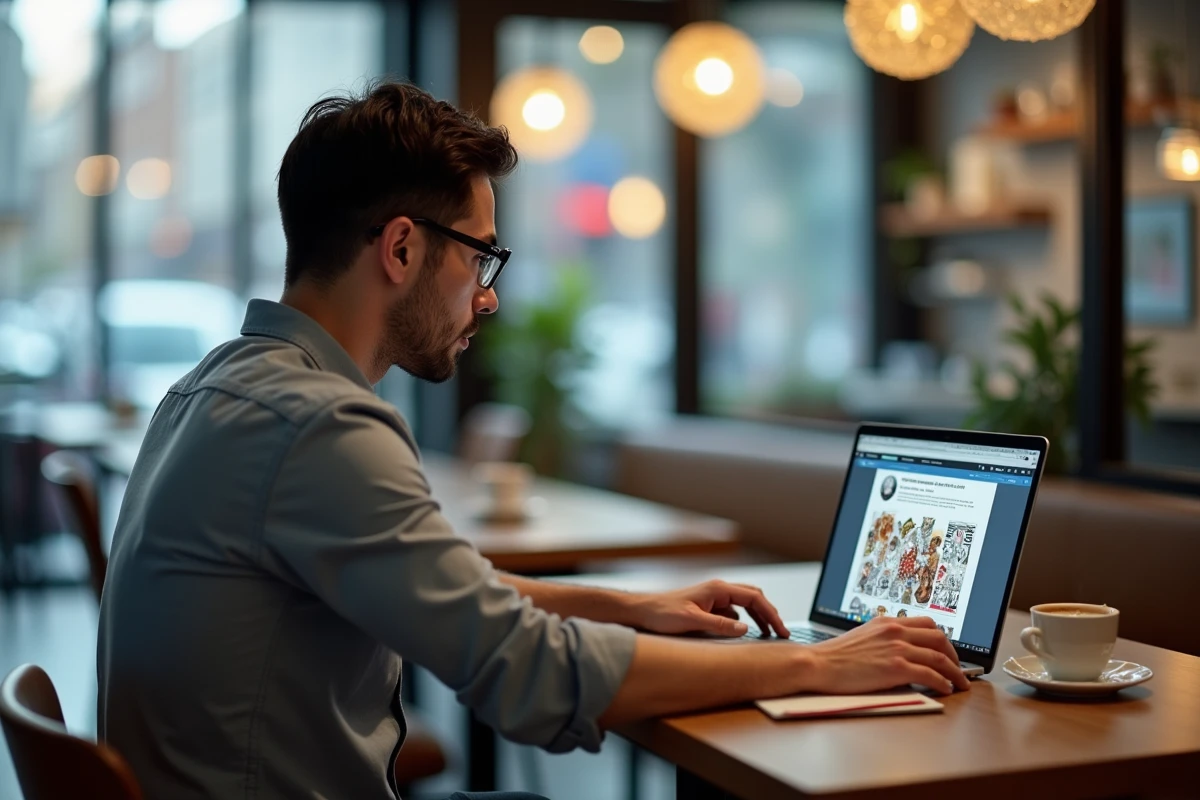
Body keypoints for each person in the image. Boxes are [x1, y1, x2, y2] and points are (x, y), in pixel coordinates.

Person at [96, 81, 968, 800]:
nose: (487, 295)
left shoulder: (215, 385)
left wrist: (631, 607)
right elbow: (525, 671)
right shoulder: (320, 423)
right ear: (400, 249)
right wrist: (819, 668)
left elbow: (447, 594)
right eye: (479, 257)